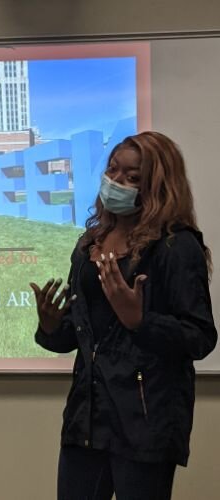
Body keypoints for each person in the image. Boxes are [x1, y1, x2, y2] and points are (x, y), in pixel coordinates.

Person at [30, 131, 217, 500]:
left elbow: (199, 337)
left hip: (146, 422)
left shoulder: (176, 247)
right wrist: (51, 327)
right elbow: (80, 336)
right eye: (113, 171)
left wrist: (140, 321)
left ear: (158, 186)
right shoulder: (89, 245)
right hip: (86, 418)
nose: (116, 182)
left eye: (132, 178)